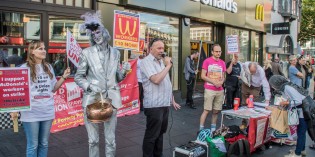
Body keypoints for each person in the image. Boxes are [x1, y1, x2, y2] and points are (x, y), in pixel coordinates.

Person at [74, 11, 130, 157]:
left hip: (112, 99)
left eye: (98, 32)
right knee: (93, 140)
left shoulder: (116, 53)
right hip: (92, 99)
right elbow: (79, 77)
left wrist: (123, 71)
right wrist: (90, 86)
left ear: (105, 32)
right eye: (93, 34)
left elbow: (117, 77)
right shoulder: (86, 53)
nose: (96, 36)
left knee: (111, 140)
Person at [10, 40, 70, 157]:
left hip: (47, 111)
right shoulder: (24, 68)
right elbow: (17, 91)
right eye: (40, 49)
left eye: (44, 48)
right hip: (31, 112)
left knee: (44, 143)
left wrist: (63, 77)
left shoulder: (48, 67)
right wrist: (14, 109)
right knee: (33, 145)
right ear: (32, 51)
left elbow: (53, 89)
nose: (44, 51)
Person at [140, 38, 181, 157]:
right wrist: (168, 66)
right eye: (158, 48)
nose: (161, 51)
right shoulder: (146, 62)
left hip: (164, 104)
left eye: (163, 48)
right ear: (150, 48)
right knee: (152, 135)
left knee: (160, 134)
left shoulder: (161, 62)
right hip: (154, 106)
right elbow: (156, 80)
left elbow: (166, 82)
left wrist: (172, 99)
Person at [268, 75, 315, 157]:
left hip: (304, 110)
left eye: (272, 85)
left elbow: (298, 101)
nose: (272, 87)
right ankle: (301, 150)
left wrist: (286, 103)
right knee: (302, 131)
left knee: (301, 132)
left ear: (276, 83)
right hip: (305, 109)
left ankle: (297, 153)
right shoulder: (286, 86)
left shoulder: (287, 88)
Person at [199, 44, 226, 132]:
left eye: (219, 51)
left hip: (219, 90)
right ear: (212, 52)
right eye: (216, 51)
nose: (218, 53)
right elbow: (202, 76)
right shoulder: (207, 61)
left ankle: (213, 130)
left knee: (216, 111)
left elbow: (224, 76)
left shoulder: (222, 62)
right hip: (209, 89)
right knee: (206, 110)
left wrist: (221, 82)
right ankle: (201, 130)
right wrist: (213, 82)